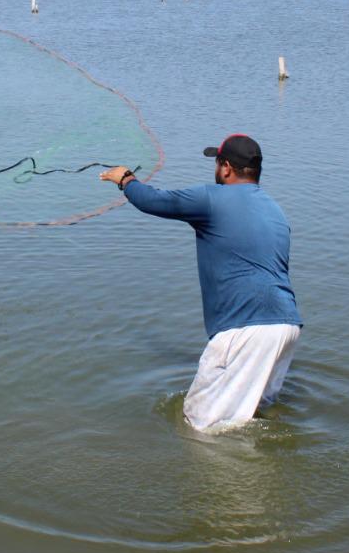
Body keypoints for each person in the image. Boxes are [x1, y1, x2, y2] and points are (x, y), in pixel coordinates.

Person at [100, 134, 302, 432]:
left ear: (227, 168)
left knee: (199, 425)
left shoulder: (211, 199)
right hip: (286, 326)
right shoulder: (275, 211)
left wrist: (126, 179)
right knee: (255, 417)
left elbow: (153, 201)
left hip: (244, 328)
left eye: (217, 162)